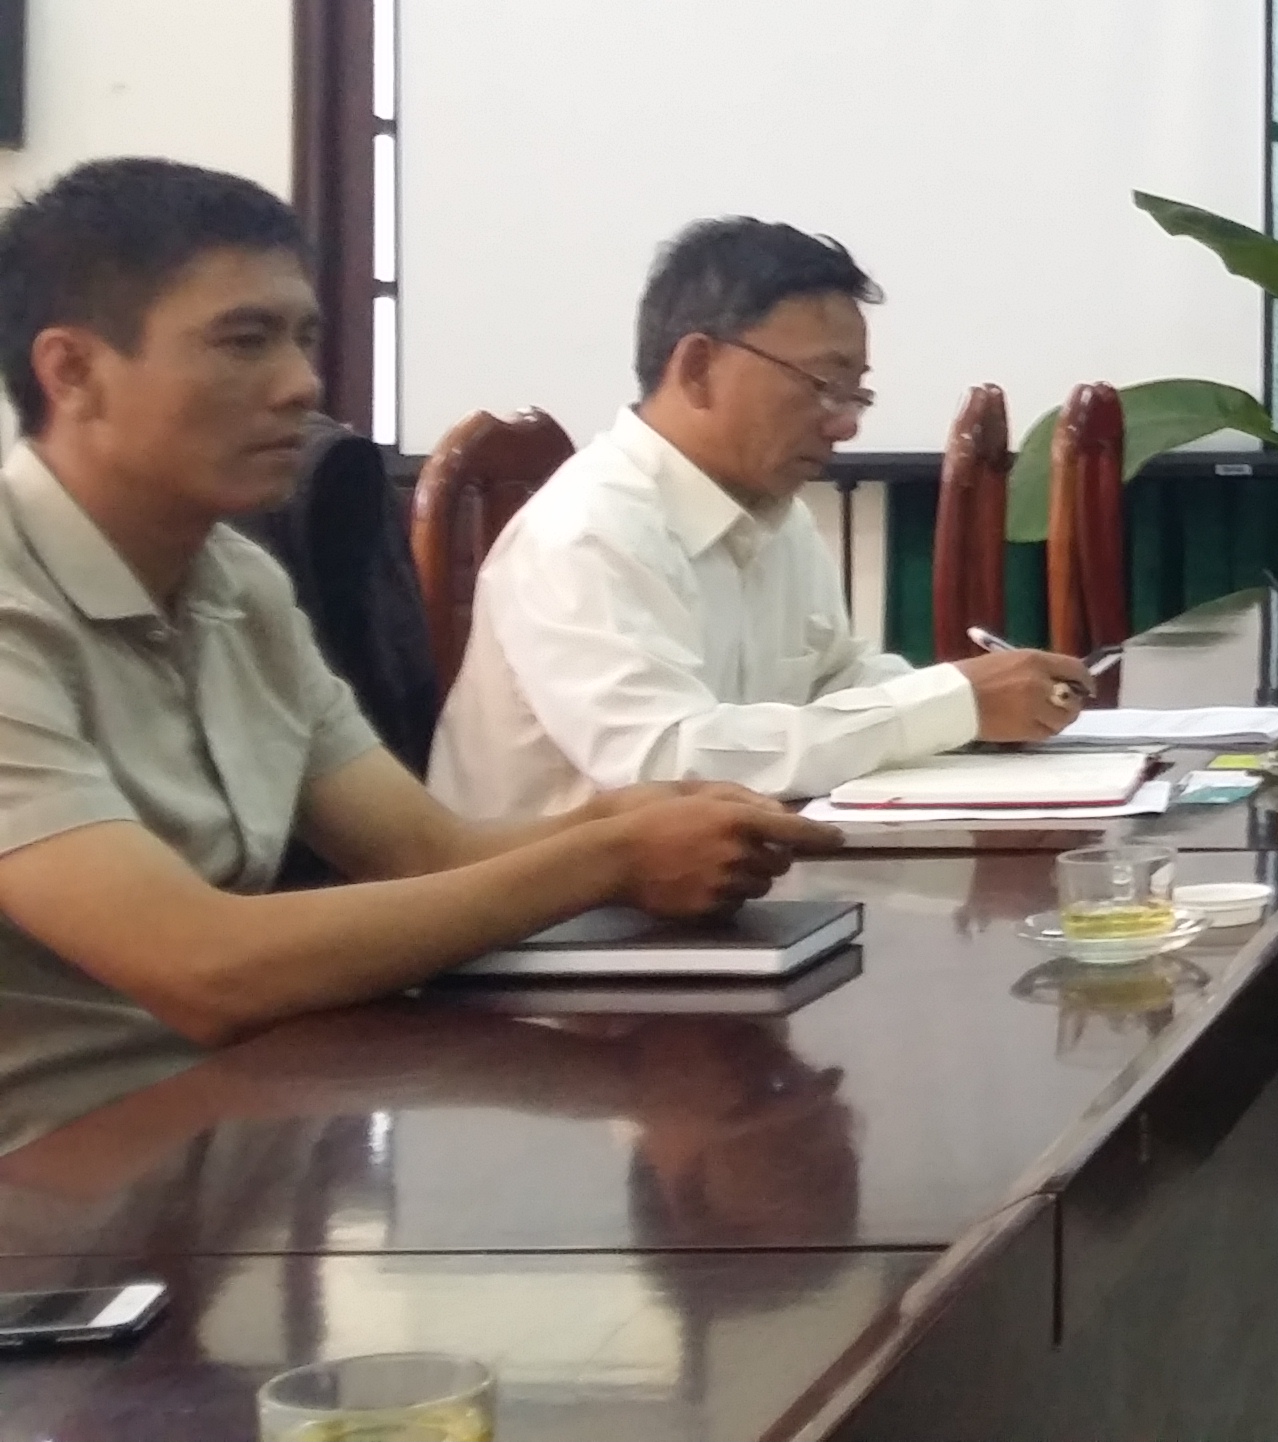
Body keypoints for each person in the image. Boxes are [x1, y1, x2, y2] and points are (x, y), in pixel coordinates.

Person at [0, 160, 829, 1150]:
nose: (302, 384)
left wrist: (626, 820)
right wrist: (610, 858)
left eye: (304, 338)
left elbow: (426, 853)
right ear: (73, 372)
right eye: (244, 341)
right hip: (56, 1184)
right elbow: (203, 966)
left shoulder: (238, 583)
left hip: (250, 1126)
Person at [427, 219, 1095, 816]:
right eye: (824, 385)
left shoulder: (773, 513)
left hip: (707, 882)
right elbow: (664, 766)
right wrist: (951, 704)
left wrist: (981, 706)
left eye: (857, 393)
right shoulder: (586, 532)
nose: (846, 425)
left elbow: (835, 682)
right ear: (697, 367)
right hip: (562, 907)